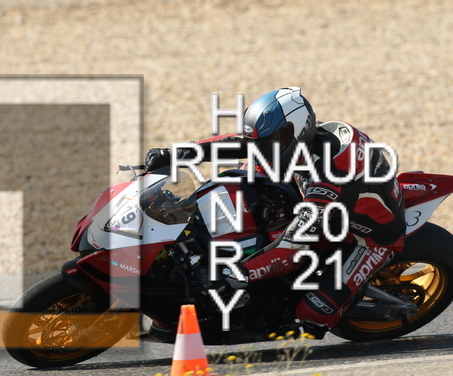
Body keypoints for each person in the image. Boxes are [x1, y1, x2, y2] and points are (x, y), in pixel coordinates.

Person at [144, 87, 406, 337]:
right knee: (242, 184)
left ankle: (347, 298)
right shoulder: (306, 140)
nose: (262, 151)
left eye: (269, 144)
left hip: (366, 238)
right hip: (325, 202)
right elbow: (241, 144)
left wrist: (236, 275)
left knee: (313, 314)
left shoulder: (330, 178)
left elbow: (292, 249)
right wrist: (177, 154)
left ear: (297, 131)